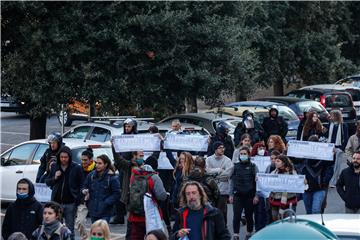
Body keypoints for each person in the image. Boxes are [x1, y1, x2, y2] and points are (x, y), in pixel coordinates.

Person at [45, 146, 82, 240]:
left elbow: (81, 184)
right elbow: (48, 182)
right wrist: (55, 177)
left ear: (69, 157)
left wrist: (77, 199)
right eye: (61, 157)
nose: (63, 159)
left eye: (66, 157)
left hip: (70, 203)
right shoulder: (54, 166)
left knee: (69, 229)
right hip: (56, 203)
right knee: (56, 228)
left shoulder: (76, 167)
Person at [127, 156, 168, 240]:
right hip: (151, 216)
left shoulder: (134, 176)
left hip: (134, 216)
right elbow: (162, 196)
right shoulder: (154, 177)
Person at [111, 118, 137, 224]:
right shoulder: (121, 138)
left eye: (129, 126)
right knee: (120, 192)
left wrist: (131, 162)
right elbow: (120, 155)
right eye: (126, 126)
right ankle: (119, 216)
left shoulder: (136, 138)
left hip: (132, 170)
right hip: (122, 169)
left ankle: (131, 215)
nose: (127, 128)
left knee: (130, 193)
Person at [229, 146, 258, 240]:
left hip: (250, 196)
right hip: (238, 195)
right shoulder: (235, 166)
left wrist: (256, 195)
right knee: (236, 216)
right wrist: (231, 194)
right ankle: (236, 234)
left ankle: (249, 233)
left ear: (249, 155)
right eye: (241, 154)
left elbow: (257, 182)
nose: (242, 155)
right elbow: (232, 181)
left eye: (244, 154)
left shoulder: (253, 166)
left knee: (249, 216)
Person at [82, 154, 121, 223]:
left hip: (105, 212)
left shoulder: (112, 178)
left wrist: (106, 202)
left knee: (102, 231)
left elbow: (117, 194)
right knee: (95, 231)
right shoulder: (91, 175)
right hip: (93, 210)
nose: (97, 165)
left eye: (100, 163)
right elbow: (84, 186)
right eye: (96, 163)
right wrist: (84, 191)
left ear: (105, 164)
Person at [301, 136, 333, 214]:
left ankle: (317, 225)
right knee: (309, 212)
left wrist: (324, 182)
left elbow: (330, 166)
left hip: (319, 188)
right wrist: (287, 150)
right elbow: (294, 162)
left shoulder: (324, 157)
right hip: (306, 188)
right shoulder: (303, 156)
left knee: (316, 210)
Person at [206, 141, 234, 224]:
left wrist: (214, 174)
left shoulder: (227, 160)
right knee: (212, 210)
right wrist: (219, 170)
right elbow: (207, 171)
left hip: (223, 189)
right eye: (220, 148)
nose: (222, 149)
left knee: (222, 211)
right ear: (215, 149)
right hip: (211, 189)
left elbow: (228, 174)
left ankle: (223, 227)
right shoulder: (208, 159)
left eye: (223, 147)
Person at [268, 155, 297, 221]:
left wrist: (303, 181)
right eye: (275, 161)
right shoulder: (274, 172)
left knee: (287, 221)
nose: (275, 162)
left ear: (283, 163)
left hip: (288, 201)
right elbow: (267, 182)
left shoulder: (291, 172)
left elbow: (297, 183)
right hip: (275, 201)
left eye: (278, 161)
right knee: (274, 219)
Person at [75, 148, 96, 239]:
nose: (83, 162)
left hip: (94, 200)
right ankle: (85, 237)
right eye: (82, 160)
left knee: (97, 224)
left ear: (91, 160)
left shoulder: (97, 169)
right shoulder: (78, 169)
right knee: (79, 222)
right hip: (82, 200)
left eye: (85, 160)